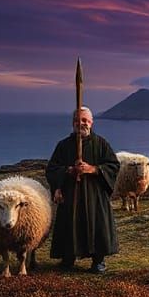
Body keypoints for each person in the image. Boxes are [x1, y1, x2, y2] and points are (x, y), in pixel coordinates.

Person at [45, 107, 120, 273]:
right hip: (70, 193)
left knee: (97, 225)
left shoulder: (101, 144)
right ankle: (68, 258)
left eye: (85, 120)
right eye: (78, 120)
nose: (82, 123)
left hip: (95, 195)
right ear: (73, 123)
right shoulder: (63, 145)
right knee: (69, 224)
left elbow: (113, 165)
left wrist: (93, 169)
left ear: (91, 123)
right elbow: (52, 169)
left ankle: (98, 261)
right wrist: (68, 171)